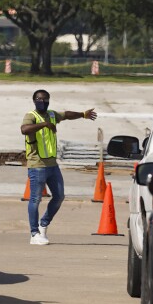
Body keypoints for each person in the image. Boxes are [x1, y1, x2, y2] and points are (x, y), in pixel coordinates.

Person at [20, 89, 97, 245]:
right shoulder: (31, 116)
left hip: (52, 165)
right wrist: (44, 124)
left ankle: (43, 224)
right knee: (35, 199)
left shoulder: (53, 115)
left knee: (59, 196)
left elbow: (67, 114)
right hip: (37, 165)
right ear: (34, 100)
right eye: (40, 99)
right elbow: (24, 130)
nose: (43, 102)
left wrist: (83, 114)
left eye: (46, 99)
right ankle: (34, 234)